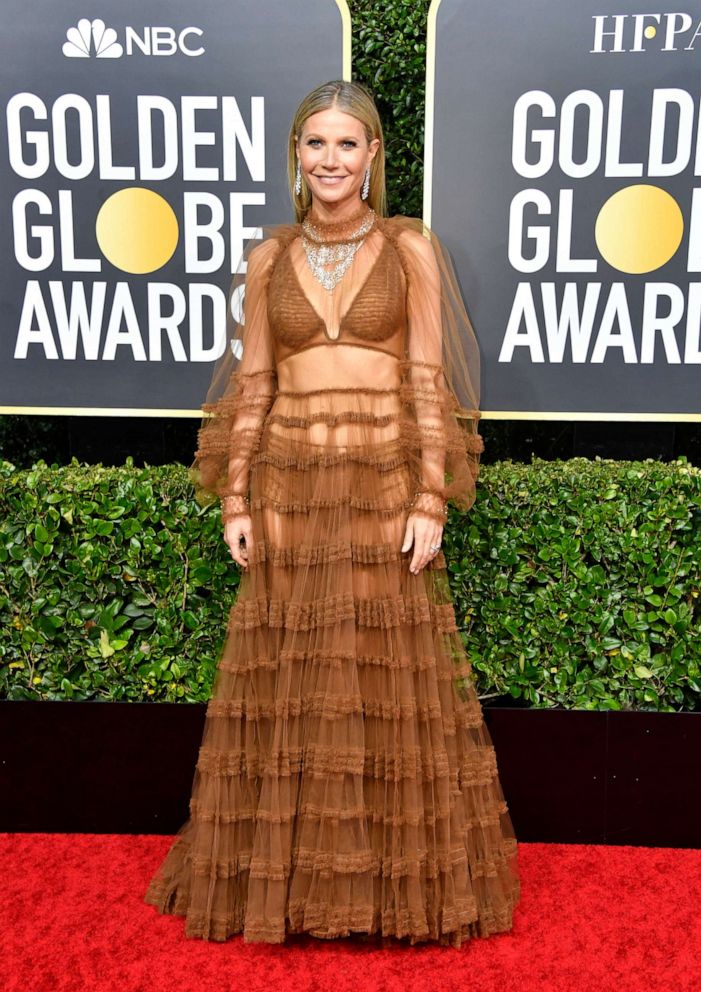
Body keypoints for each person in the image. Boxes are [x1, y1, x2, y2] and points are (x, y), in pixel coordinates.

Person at [144, 79, 521, 947]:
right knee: (292, 684)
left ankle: (392, 891)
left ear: (374, 156)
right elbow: (256, 383)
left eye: (347, 144)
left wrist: (432, 494)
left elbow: (428, 378)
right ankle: (290, 887)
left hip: (382, 481)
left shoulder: (409, 248)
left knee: (383, 682)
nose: (330, 160)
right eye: (315, 144)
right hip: (288, 479)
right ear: (295, 155)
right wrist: (236, 492)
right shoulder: (268, 256)